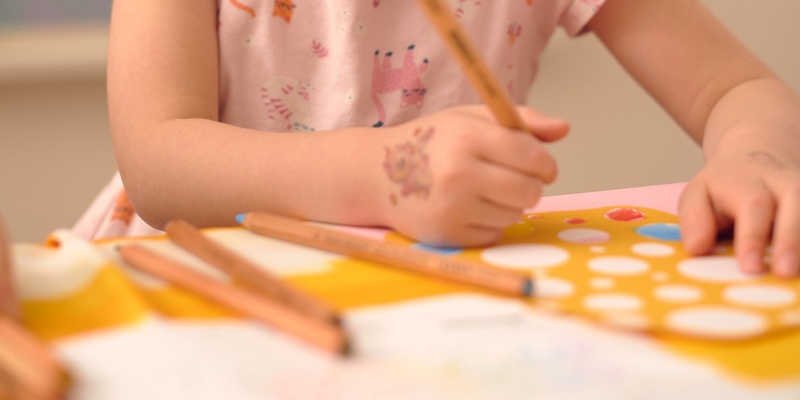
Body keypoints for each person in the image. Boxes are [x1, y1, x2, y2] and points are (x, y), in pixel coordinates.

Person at [75, 0, 800, 278]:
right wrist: (385, 175)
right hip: (201, 284)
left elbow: (732, 88)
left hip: (437, 295)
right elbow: (157, 160)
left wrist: (752, 157)